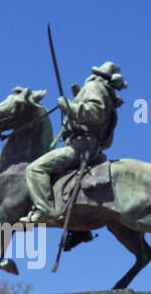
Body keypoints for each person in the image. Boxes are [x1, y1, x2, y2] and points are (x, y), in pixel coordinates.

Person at [25, 62, 127, 222]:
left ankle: (45, 211)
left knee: (35, 169)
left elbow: (95, 114)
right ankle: (79, 230)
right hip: (94, 148)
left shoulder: (95, 86)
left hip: (80, 146)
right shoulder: (107, 95)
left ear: (100, 76)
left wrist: (69, 107)